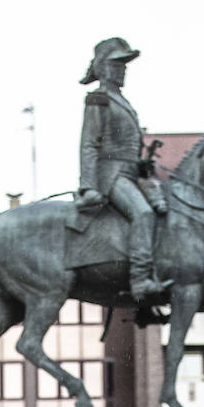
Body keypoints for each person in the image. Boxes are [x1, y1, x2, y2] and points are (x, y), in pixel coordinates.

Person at [77, 37, 171, 303]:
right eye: (117, 64)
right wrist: (89, 186)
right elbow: (89, 144)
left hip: (131, 174)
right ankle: (140, 281)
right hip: (111, 176)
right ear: (102, 67)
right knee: (143, 214)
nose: (122, 69)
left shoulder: (122, 100)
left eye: (124, 65)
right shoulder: (99, 99)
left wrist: (141, 164)